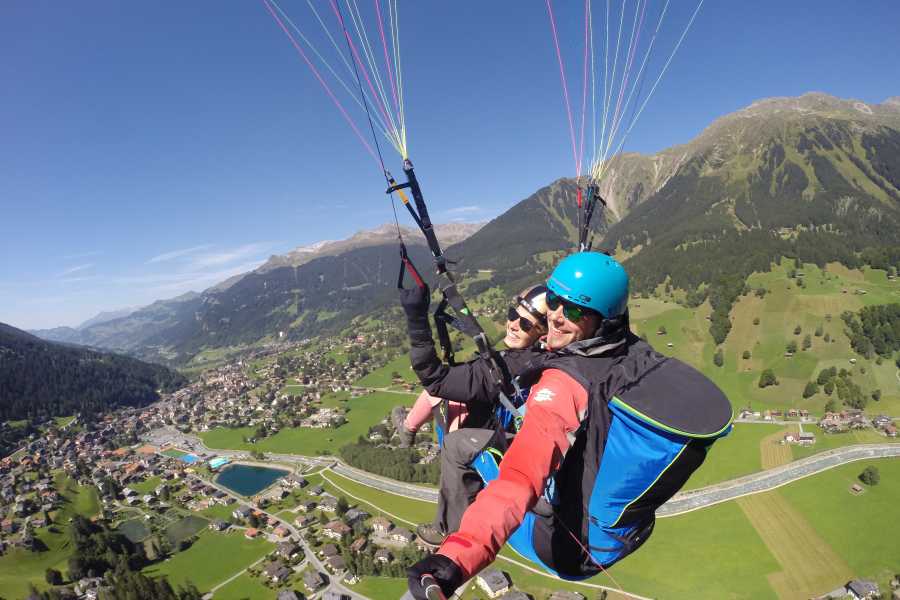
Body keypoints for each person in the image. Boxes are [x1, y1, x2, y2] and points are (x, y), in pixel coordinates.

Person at [404, 252, 732, 599]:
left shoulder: (562, 385)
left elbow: (519, 480)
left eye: (574, 310)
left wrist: (454, 561)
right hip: (616, 539)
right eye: (555, 302)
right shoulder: (630, 352)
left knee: (456, 445)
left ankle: (448, 531)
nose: (557, 318)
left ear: (603, 320)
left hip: (559, 547)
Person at [397, 285, 550, 546]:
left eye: (525, 324)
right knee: (444, 391)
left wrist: (416, 318)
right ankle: (408, 428)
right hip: (505, 421)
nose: (513, 324)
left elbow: (434, 378)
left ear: (543, 333)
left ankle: (447, 529)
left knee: (452, 435)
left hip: (508, 439)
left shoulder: (513, 365)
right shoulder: (535, 357)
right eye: (513, 313)